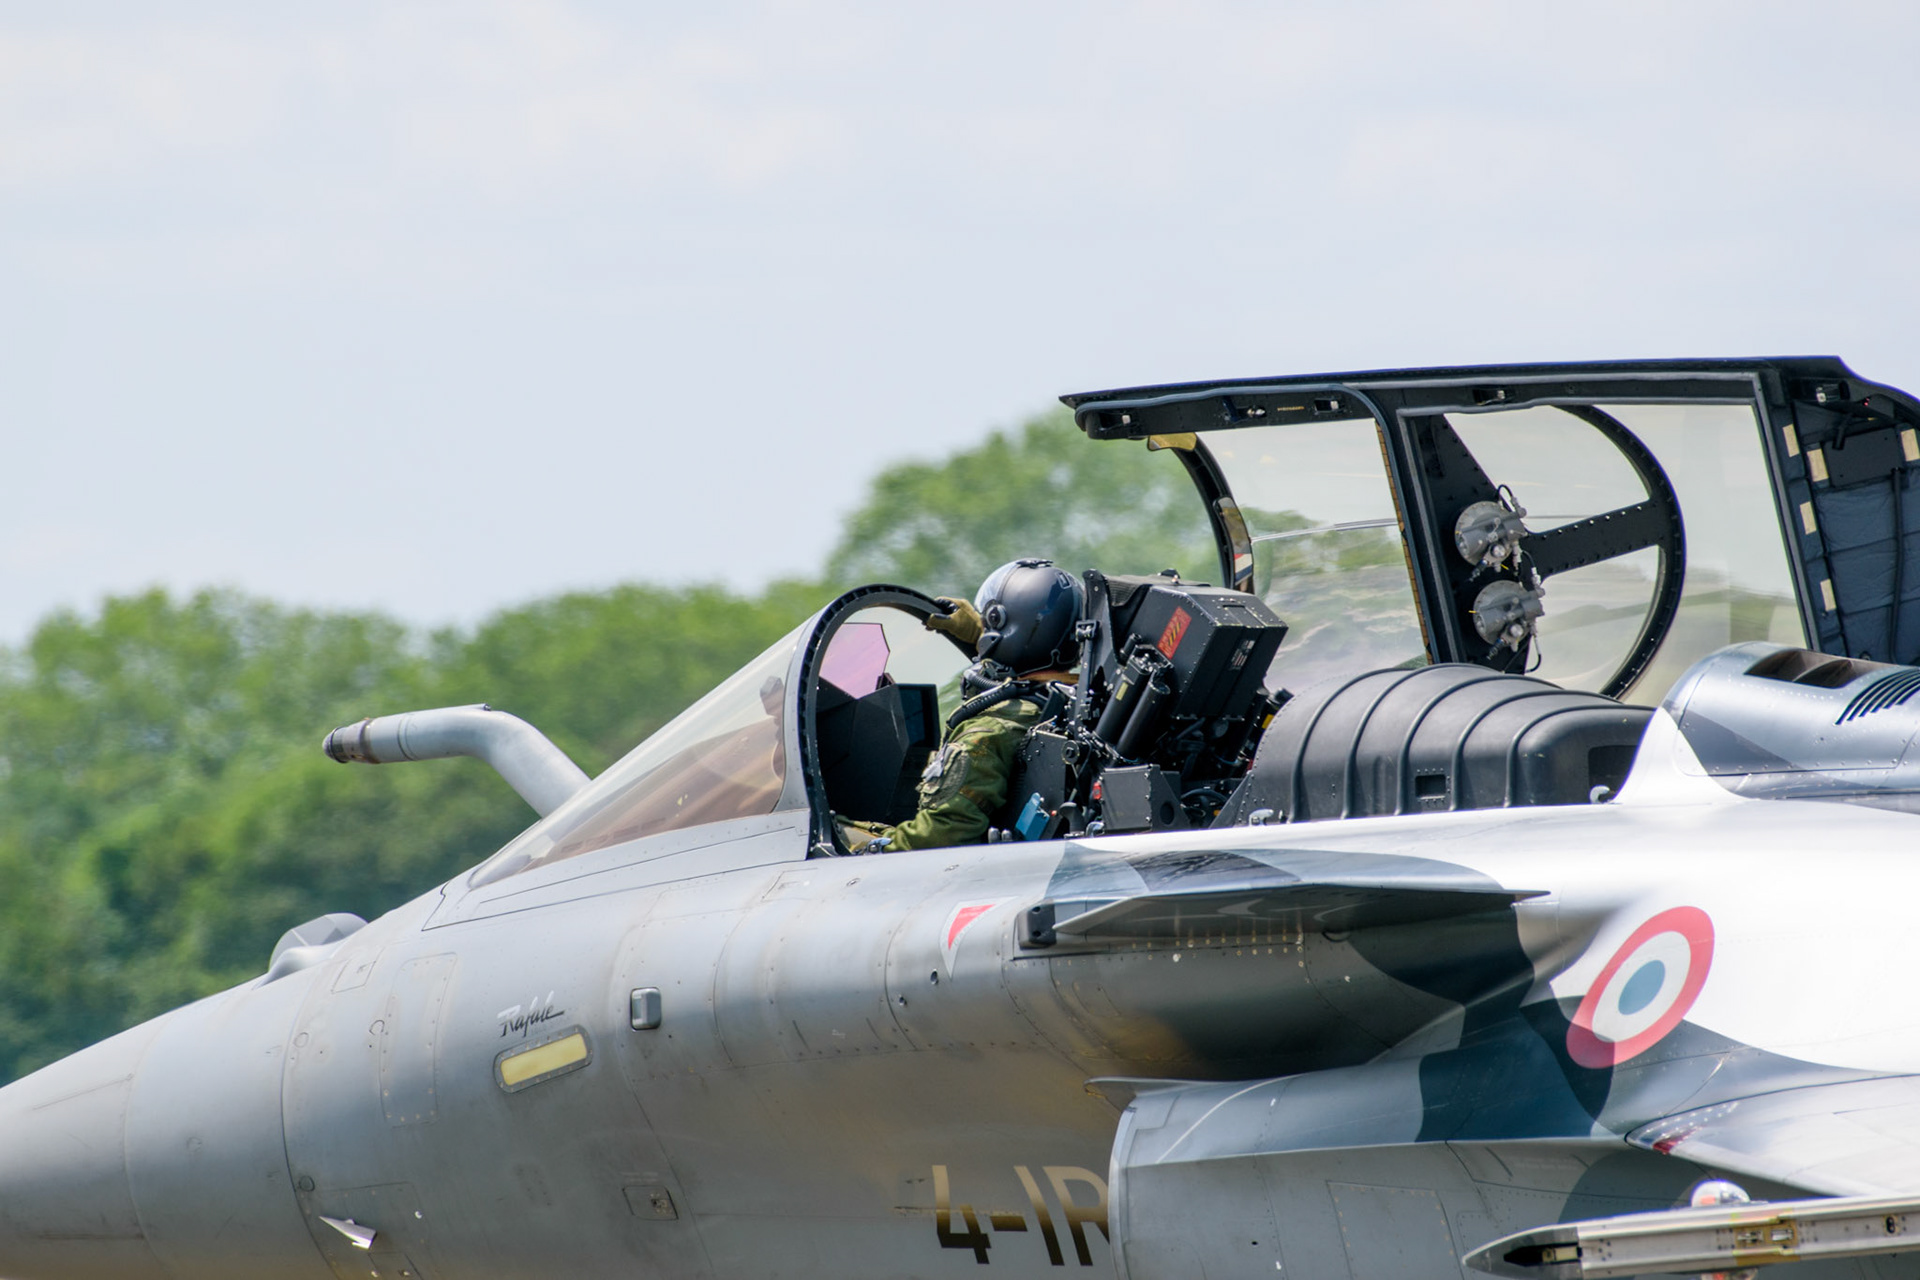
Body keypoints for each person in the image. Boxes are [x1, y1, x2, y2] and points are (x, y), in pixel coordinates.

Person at [838, 559, 1083, 853]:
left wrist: (857, 842)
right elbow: (1034, 642)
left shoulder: (989, 731)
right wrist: (982, 634)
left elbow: (938, 839)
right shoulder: (1076, 707)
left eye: (990, 620)